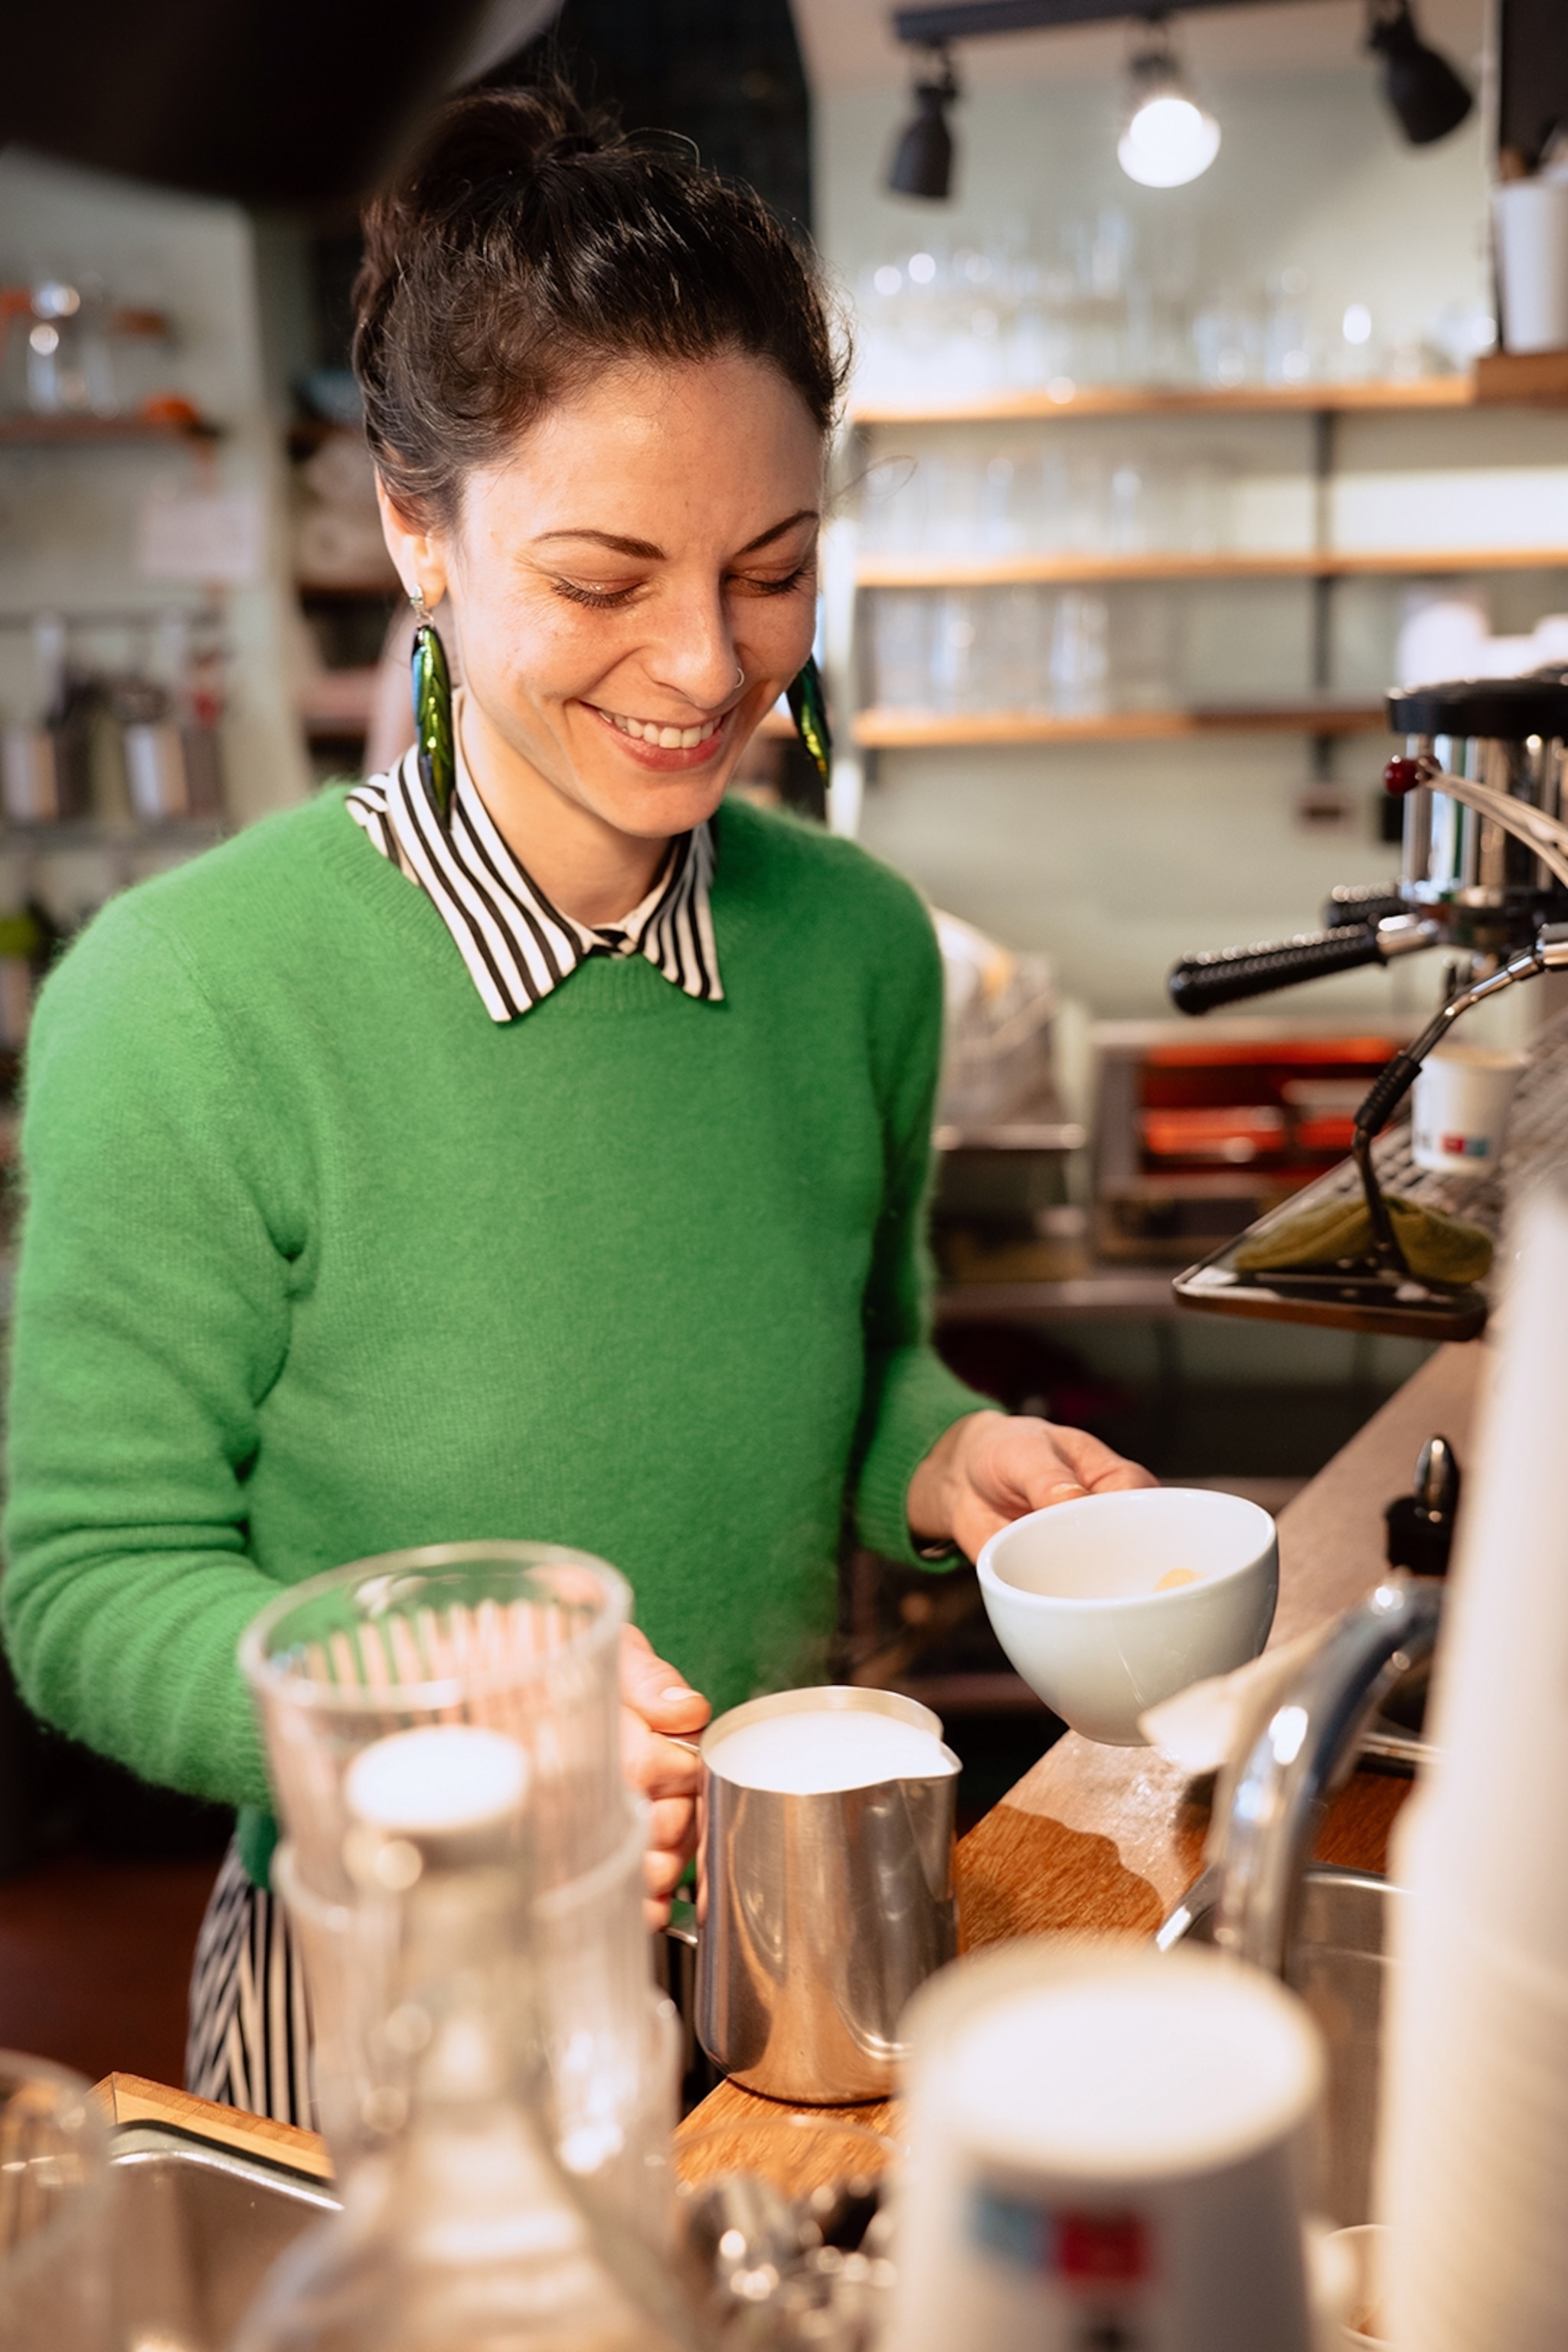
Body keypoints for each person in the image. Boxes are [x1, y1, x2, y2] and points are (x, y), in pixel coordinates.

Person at [1, 83, 1152, 2125]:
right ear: (412, 531)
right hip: (396, 1973)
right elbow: (81, 1582)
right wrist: (397, 1717)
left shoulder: (858, 949)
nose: (708, 666)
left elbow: (856, 1359)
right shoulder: (190, 1002)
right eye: (605, 577)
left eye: (773, 569)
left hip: (808, 1926)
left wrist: (950, 1455)